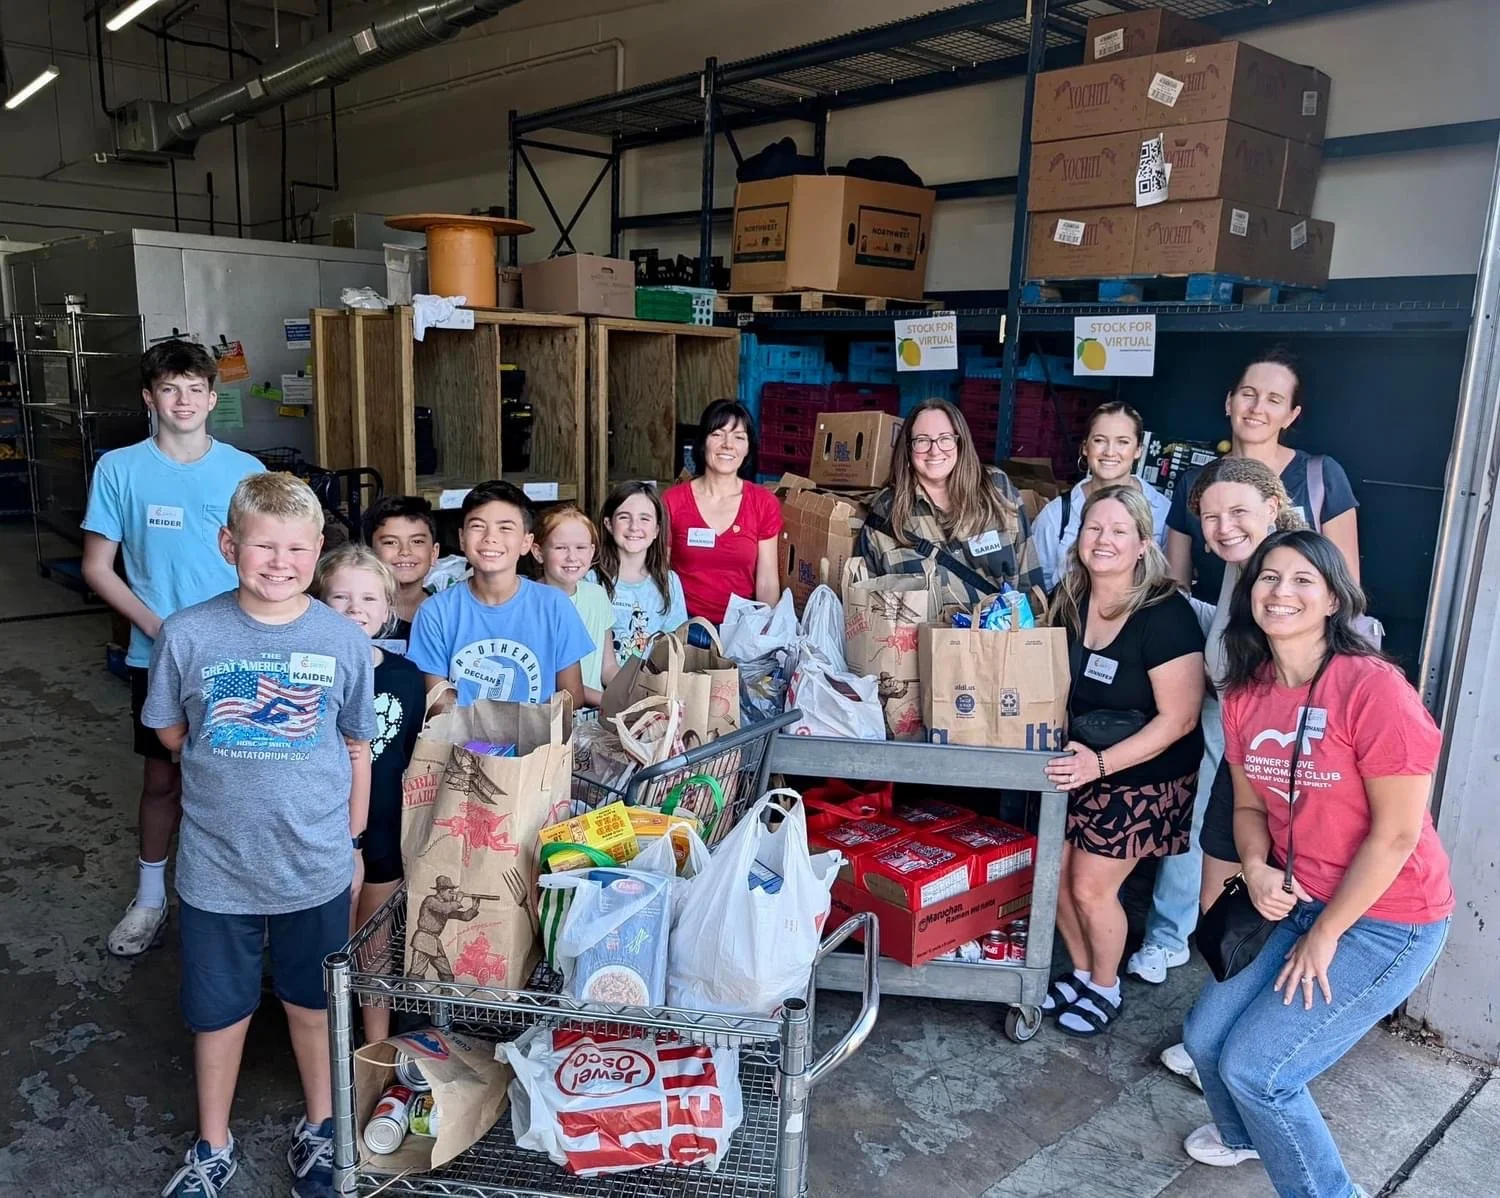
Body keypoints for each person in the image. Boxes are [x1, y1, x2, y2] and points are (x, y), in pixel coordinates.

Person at [1180, 530, 1452, 1198]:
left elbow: (1395, 835)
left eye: (1303, 579)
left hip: (1387, 918)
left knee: (1261, 1073)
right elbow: (1248, 810)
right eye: (1269, 578)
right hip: (1293, 898)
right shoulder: (1248, 691)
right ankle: (1244, 1138)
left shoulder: (1375, 690)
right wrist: (1256, 864)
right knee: (1205, 1037)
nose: (1282, 592)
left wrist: (1327, 933)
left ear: (1334, 597)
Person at [141, 472, 375, 1198]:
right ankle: (212, 1145)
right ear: (227, 544)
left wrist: (352, 838)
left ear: (318, 551)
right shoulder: (187, 634)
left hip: (314, 868)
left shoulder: (343, 639)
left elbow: (356, 742)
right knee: (218, 1012)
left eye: (297, 549)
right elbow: (173, 733)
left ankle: (320, 1127)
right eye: (262, 545)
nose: (279, 562)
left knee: (312, 1004)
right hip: (216, 871)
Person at [80, 338, 265, 958]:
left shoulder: (244, 470)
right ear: (148, 398)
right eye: (169, 389)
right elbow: (99, 568)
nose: (182, 401)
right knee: (163, 780)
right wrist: (163, 630)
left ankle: (242, 897)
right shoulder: (120, 469)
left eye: (194, 390)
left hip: (235, 656)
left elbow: (266, 558)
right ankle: (151, 898)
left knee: (243, 780)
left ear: (213, 398)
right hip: (156, 656)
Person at [1131, 458, 1306, 990]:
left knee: (1265, 873)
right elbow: (1227, 643)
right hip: (1232, 735)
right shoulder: (1245, 563)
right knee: (1213, 847)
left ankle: (1253, 997)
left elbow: (1294, 671)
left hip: (1272, 751)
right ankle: (1203, 969)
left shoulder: (1286, 574)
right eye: (1210, 517)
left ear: (1272, 508)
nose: (1223, 526)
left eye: (1237, 512)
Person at [1041, 485, 1205, 1037]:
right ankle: (1084, 971)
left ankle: (1106, 985)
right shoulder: (1069, 597)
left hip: (1146, 774)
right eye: (1094, 528)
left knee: (1090, 885)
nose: (1103, 540)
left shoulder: (1165, 613)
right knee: (1054, 874)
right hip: (1078, 760)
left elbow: (1179, 720)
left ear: (1142, 543)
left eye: (1118, 531)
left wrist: (1101, 767)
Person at [314, 544, 425, 1044]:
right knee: (329, 945)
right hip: (320, 831)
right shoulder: (309, 675)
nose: (355, 609)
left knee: (376, 940)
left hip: (385, 829)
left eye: (368, 599)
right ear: (316, 603)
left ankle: (375, 1045)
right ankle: (331, 1044)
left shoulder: (404, 677)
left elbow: (410, 756)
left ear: (387, 610)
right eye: (340, 597)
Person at [1166, 347, 1360, 600]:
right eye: (1248, 394)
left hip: (1295, 627)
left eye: (1274, 399)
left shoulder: (1321, 476)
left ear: (1291, 415)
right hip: (1213, 631)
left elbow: (1346, 586)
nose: (1257, 408)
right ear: (1229, 402)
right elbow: (1176, 588)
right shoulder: (1194, 483)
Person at [406, 480, 591, 709]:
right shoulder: (435, 612)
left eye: (505, 528)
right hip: (462, 743)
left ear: (526, 542)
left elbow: (572, 695)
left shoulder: (554, 606)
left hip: (541, 742)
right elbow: (438, 704)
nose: (490, 537)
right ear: (462, 539)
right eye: (478, 526)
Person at [859, 398, 1044, 604]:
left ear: (960, 441)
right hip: (922, 636)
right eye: (922, 440)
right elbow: (864, 604)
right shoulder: (885, 511)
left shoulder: (997, 488)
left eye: (945, 438)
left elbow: (1030, 582)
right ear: (908, 448)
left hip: (1001, 633)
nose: (935, 450)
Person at [662, 399, 782, 624]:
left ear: (748, 448)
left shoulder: (764, 503)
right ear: (702, 442)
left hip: (740, 627)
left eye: (739, 437)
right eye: (717, 434)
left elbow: (766, 582)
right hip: (682, 625)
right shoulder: (673, 500)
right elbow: (660, 572)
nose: (728, 444)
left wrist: (762, 630)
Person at [1033, 401, 1171, 591]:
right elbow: (1037, 585)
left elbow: (1169, 584)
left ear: (1138, 450)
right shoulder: (1056, 515)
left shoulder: (1163, 512)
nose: (1109, 452)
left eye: (1122, 442)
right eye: (1099, 440)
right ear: (1085, 447)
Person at [531, 504, 618, 706]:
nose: (572, 556)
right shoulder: (530, 604)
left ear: (592, 551)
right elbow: (554, 680)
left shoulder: (597, 595)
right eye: (561, 548)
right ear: (538, 552)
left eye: (581, 547)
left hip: (594, 717)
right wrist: (608, 702)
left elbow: (608, 667)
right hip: (552, 718)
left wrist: (631, 692)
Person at [593, 480, 688, 662]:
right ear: (609, 524)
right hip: (599, 687)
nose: (634, 526)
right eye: (624, 517)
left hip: (651, 684)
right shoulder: (591, 580)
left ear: (657, 530)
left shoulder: (669, 582)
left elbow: (674, 647)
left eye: (644, 519)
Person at [363, 494, 440, 640]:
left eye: (417, 541)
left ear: (434, 553)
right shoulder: (358, 615)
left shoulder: (446, 613)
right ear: (370, 553)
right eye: (390, 542)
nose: (405, 551)